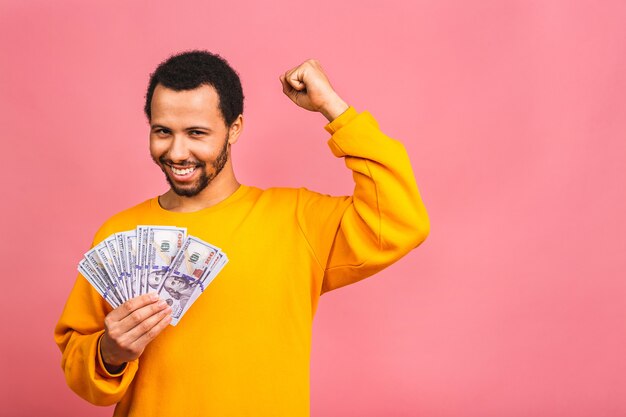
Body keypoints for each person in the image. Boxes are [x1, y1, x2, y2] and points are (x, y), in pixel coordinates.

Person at [55, 50, 430, 416]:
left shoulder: (296, 220)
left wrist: (335, 109)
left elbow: (399, 220)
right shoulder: (119, 233)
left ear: (234, 128)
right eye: (163, 132)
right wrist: (109, 352)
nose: (177, 151)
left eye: (197, 132)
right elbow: (77, 363)